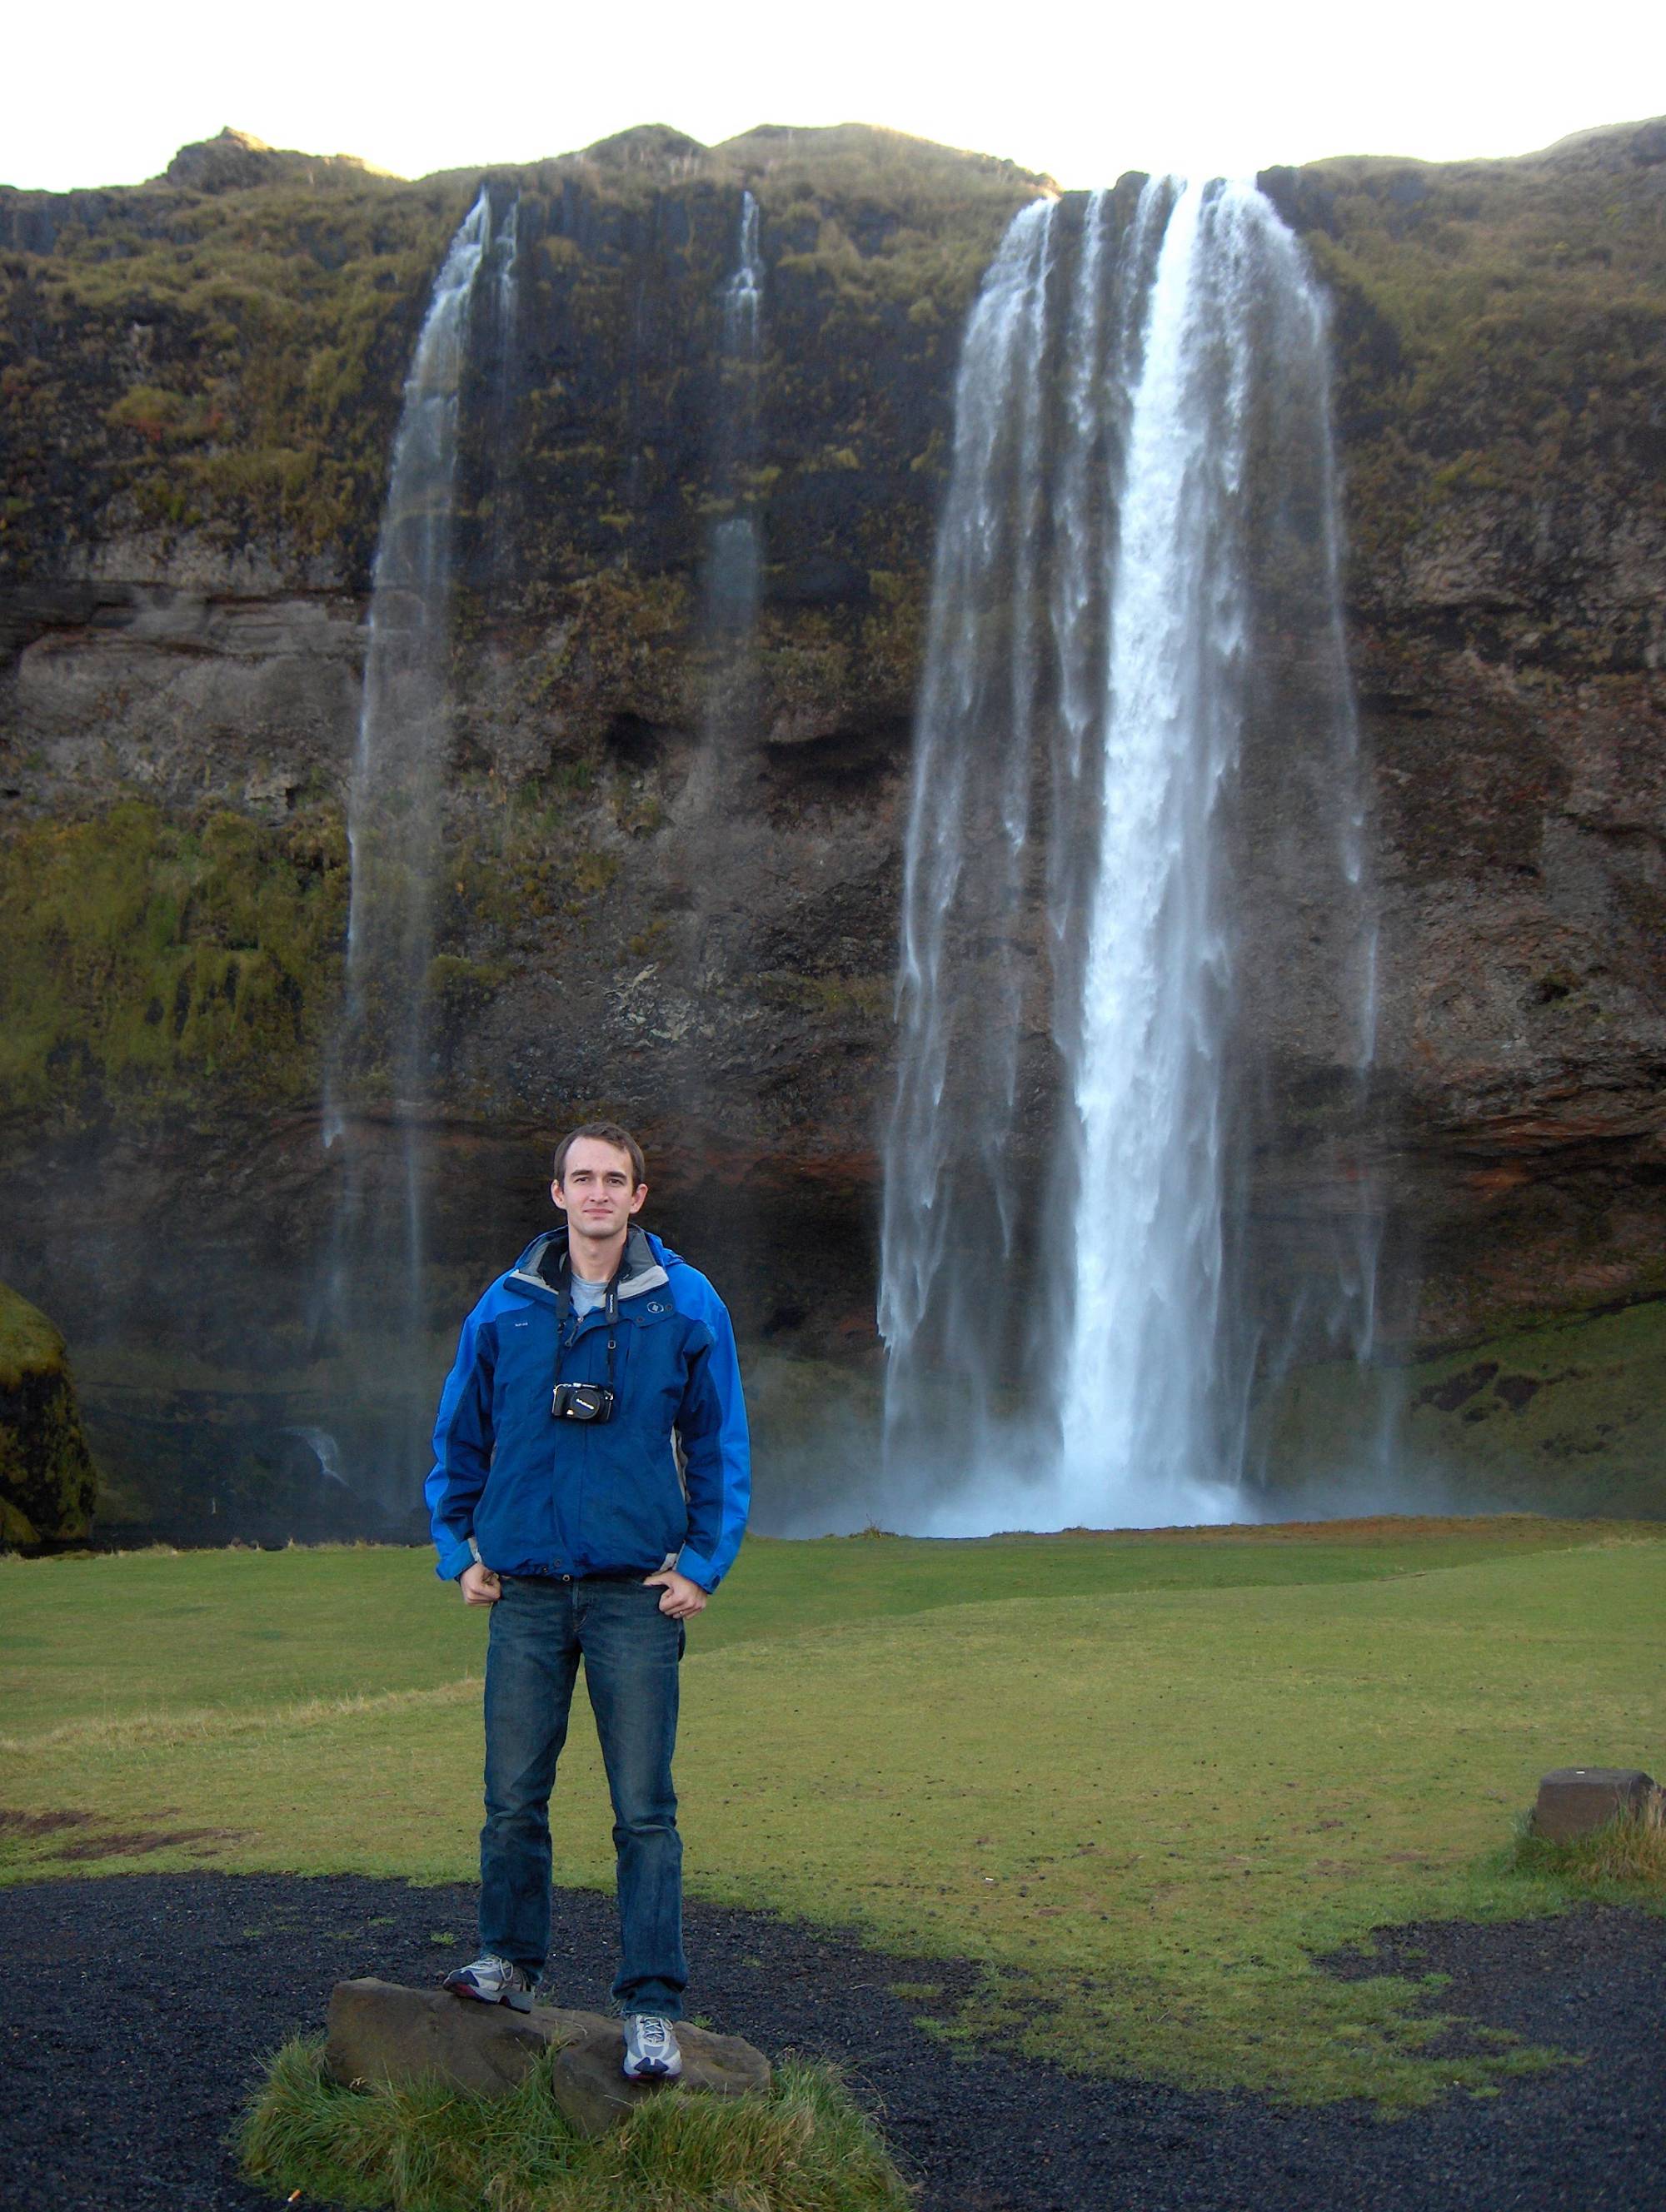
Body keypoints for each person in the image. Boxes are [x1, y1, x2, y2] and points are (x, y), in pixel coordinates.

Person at [424, 1121, 750, 2080]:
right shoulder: (507, 1305)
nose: (597, 1192)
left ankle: (650, 2004)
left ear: (637, 1196)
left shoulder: (685, 1302)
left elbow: (719, 1440)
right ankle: (507, 1963)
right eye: (582, 1177)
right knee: (511, 1797)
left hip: (631, 1596)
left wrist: (701, 1564)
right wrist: (458, 1549)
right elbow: (459, 1433)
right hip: (525, 1590)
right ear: (557, 1192)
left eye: (614, 1178)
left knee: (643, 1808)